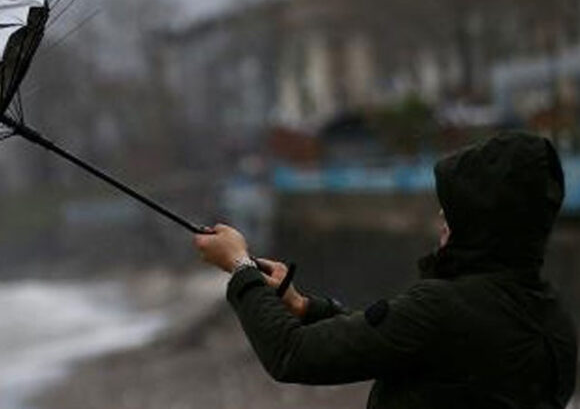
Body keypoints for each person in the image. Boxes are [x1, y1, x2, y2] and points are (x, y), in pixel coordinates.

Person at [194, 131, 577, 408]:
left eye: (457, 207)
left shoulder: (442, 308)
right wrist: (306, 307)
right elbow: (404, 342)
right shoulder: (553, 318)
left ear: (485, 220)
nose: (442, 215)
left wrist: (240, 266)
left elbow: (292, 354)